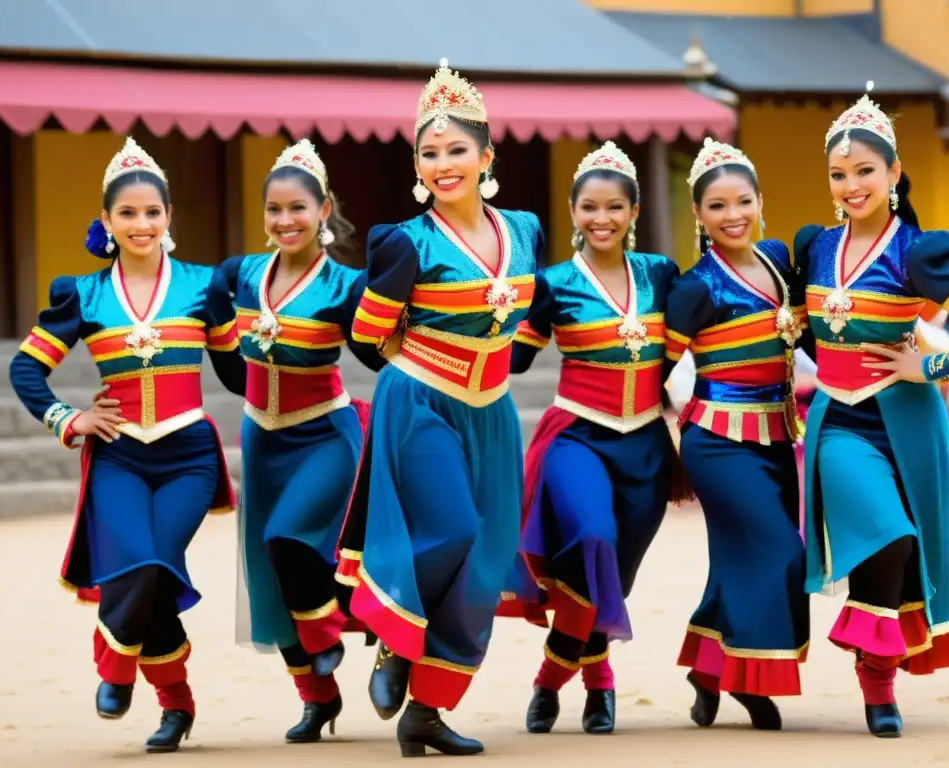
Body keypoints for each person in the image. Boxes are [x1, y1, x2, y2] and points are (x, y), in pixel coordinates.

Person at [333, 59, 542, 758]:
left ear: (487, 156)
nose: (444, 163)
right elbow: (366, 335)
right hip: (421, 399)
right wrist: (416, 373)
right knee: (449, 528)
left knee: (485, 560)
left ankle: (428, 709)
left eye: (458, 149)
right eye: (430, 152)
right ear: (417, 164)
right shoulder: (404, 241)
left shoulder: (527, 229)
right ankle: (394, 640)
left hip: (493, 410)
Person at [793, 94, 949, 738]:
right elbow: (806, 331)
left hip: (910, 421)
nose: (851, 184)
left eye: (865, 170)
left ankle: (877, 675)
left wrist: (933, 367)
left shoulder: (920, 253)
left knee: (902, 546)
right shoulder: (814, 246)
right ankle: (877, 672)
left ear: (894, 174)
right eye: (839, 174)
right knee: (886, 533)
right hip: (839, 422)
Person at [9, 138, 241, 752]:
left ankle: (121, 670)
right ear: (107, 221)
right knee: (142, 568)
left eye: (153, 213)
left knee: (155, 569)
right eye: (129, 214)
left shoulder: (204, 285)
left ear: (169, 219)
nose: (142, 224)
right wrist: (69, 418)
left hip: (188, 455)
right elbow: (26, 370)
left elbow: (239, 370)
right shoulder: (79, 293)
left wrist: (306, 383)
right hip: (117, 455)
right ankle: (175, 702)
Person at [497, 141, 685, 736]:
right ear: (573, 212)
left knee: (609, 578)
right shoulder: (549, 284)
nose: (600, 219)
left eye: (614, 208)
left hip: (648, 447)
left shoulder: (662, 273)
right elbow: (514, 362)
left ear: (633, 213)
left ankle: (554, 678)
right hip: (577, 436)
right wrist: (487, 310)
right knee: (592, 536)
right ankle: (594, 686)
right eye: (588, 208)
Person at [209, 138, 374, 743]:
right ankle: (317, 697)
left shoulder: (348, 284)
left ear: (324, 209)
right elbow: (224, 364)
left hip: (326, 435)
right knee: (271, 570)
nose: (286, 221)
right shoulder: (239, 276)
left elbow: (380, 352)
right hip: (261, 437)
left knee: (289, 540)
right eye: (274, 209)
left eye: (298, 208)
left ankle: (336, 636)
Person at [665, 139, 810, 730]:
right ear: (698, 215)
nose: (733, 216)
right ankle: (750, 677)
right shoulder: (695, 288)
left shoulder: (777, 260)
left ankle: (706, 670)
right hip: (717, 441)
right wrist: (663, 452)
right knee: (780, 549)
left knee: (735, 561)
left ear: (759, 202)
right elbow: (654, 371)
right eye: (717, 206)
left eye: (742, 201)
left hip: (778, 437)